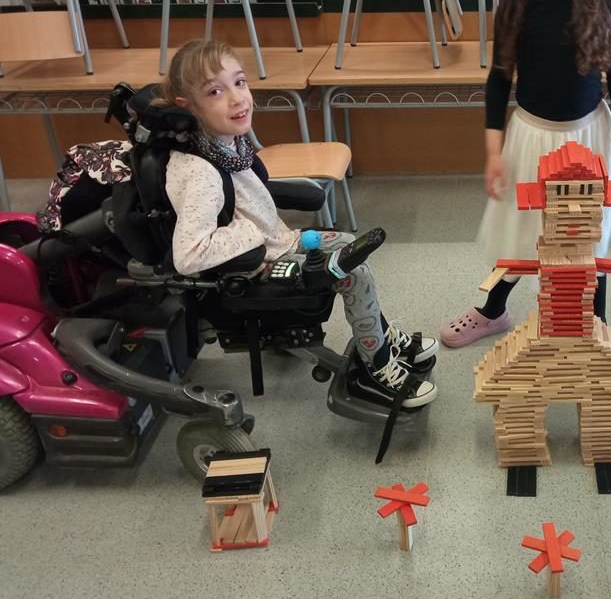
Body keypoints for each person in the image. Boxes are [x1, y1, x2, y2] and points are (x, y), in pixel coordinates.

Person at [161, 39, 437, 409]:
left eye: (239, 82)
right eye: (215, 91)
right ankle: (375, 367)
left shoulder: (222, 143)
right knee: (353, 272)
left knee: (348, 244)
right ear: (188, 106)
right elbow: (188, 256)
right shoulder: (201, 173)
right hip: (256, 268)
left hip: (279, 241)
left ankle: (380, 335)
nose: (237, 98)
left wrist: (265, 229)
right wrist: (253, 232)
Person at [442, 0, 611, 347]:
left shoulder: (604, 1)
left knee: (587, 239)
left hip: (591, 139)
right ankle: (493, 310)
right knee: (523, 232)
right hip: (532, 137)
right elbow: (498, 80)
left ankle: (595, 325)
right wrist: (493, 153)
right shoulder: (516, 3)